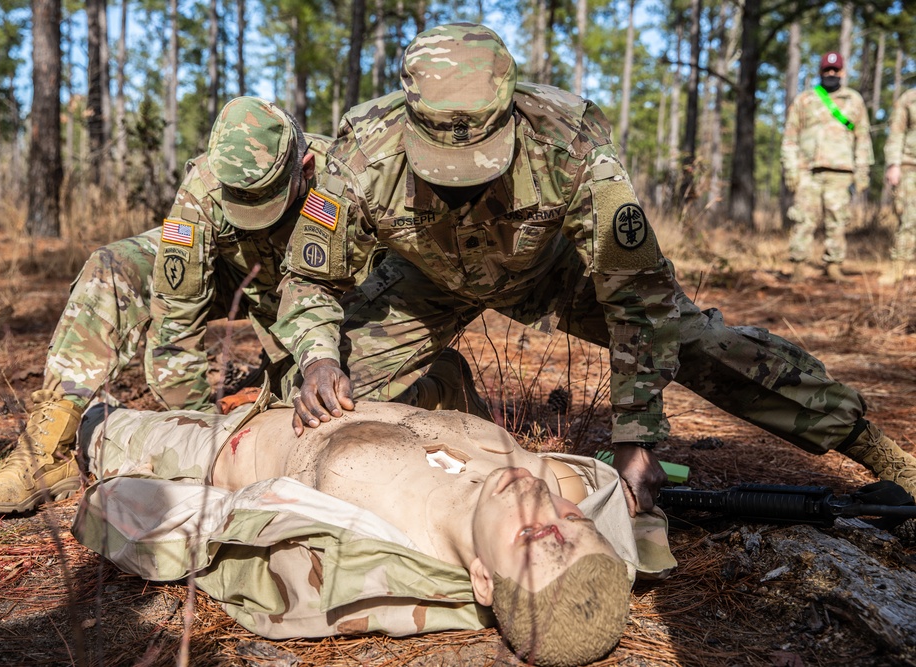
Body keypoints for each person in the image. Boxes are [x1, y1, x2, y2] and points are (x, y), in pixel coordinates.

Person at [272, 23, 916, 517]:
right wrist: (317, 356)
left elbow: (639, 295)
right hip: (426, 282)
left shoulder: (568, 137)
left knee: (704, 346)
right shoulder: (362, 150)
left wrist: (637, 435)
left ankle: (884, 456)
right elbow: (310, 279)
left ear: (509, 108)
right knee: (319, 405)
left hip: (551, 271)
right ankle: (447, 395)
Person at [72, 390, 676, 667]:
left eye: (532, 537)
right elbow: (619, 514)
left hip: (219, 447)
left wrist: (119, 490)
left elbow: (194, 527)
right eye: (568, 521)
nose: (542, 506)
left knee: (91, 420)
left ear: (483, 582)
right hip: (317, 382)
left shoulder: (367, 546)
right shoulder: (544, 480)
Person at [0, 97, 332, 516]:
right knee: (112, 267)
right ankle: (49, 446)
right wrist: (201, 431)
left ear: (306, 167)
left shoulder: (341, 178)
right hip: (232, 275)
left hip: (318, 301)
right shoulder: (204, 186)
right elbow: (176, 318)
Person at [781, 50, 873, 283]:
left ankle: (834, 265)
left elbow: (863, 138)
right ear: (820, 72)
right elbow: (790, 137)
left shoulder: (854, 100)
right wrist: (791, 168)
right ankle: (799, 266)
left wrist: (862, 171)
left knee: (837, 220)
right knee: (803, 219)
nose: (831, 73)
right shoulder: (805, 99)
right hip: (807, 170)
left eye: (835, 70)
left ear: (842, 72)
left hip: (841, 172)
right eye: (826, 70)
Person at [880, 86, 916, 286]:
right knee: (909, 219)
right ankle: (898, 268)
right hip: (911, 166)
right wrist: (894, 164)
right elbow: (896, 132)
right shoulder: (910, 98)